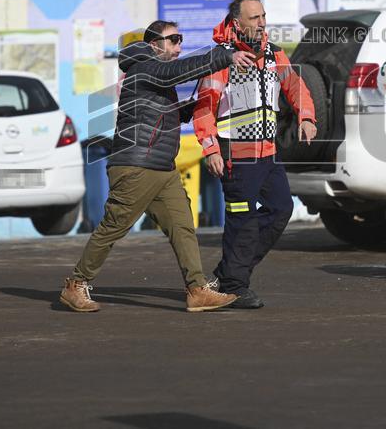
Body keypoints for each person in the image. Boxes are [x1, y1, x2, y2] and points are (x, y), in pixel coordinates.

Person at [60, 20, 256, 313]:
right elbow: (176, 72)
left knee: (182, 226)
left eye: (180, 39)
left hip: (162, 168)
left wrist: (186, 110)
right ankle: (76, 284)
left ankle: (197, 289)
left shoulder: (152, 75)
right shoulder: (144, 68)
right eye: (173, 39)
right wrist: (223, 56)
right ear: (154, 44)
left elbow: (156, 115)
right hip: (136, 166)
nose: (179, 46)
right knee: (114, 227)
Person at [193, 0, 317, 309]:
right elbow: (204, 108)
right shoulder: (220, 59)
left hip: (267, 155)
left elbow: (295, 88)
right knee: (243, 223)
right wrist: (210, 149)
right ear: (237, 23)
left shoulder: (275, 54)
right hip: (234, 156)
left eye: (263, 16)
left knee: (280, 211)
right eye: (254, 18)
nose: (262, 23)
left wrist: (306, 116)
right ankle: (234, 285)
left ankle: (230, 272)